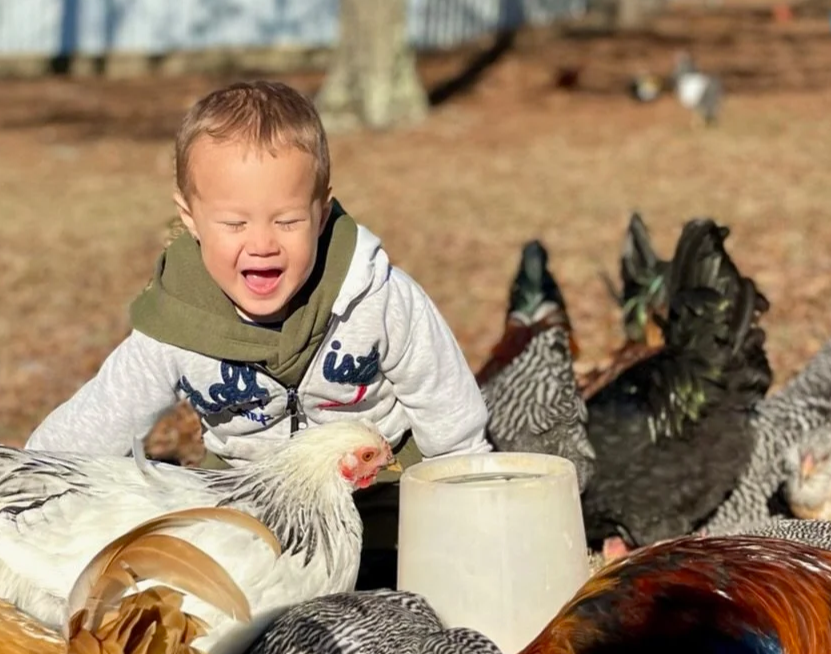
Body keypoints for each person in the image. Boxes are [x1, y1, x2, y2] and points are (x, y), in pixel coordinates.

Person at [26, 78, 491, 589]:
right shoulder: (177, 324)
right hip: (246, 497)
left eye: (287, 220)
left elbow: (445, 402)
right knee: (223, 603)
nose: (263, 244)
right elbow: (105, 415)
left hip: (378, 491)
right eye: (234, 223)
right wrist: (29, 485)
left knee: (409, 591)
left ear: (321, 213)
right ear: (191, 219)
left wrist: (470, 500)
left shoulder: (377, 298)